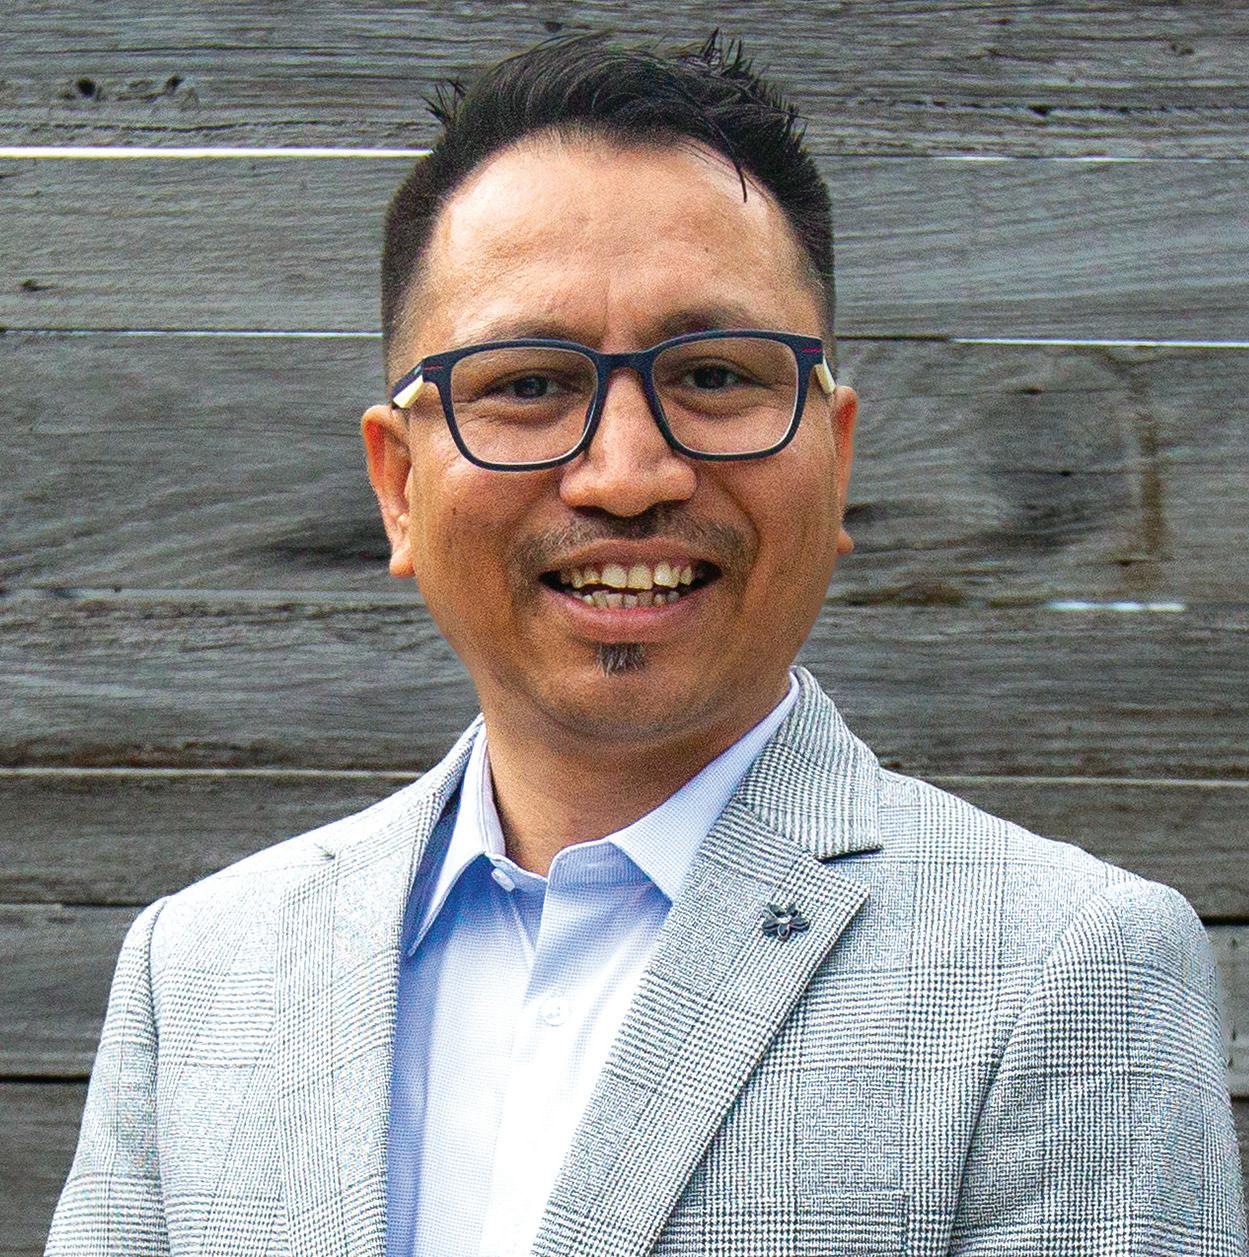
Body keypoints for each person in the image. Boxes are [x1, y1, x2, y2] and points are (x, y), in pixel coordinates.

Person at [46, 32, 1245, 1257]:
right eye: (528, 384)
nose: (626, 475)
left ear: (836, 459)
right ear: (399, 485)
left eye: (715, 375)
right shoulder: (202, 974)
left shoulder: (1069, 970)